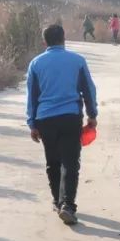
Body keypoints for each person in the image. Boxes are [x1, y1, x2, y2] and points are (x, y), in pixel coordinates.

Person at [26, 24, 98, 225]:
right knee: (70, 162)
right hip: (70, 117)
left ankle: (58, 202)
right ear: (63, 38)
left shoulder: (36, 64)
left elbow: (32, 96)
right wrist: (92, 115)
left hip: (45, 118)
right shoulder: (77, 61)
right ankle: (67, 204)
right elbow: (88, 90)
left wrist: (32, 123)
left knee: (53, 161)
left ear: (44, 41)